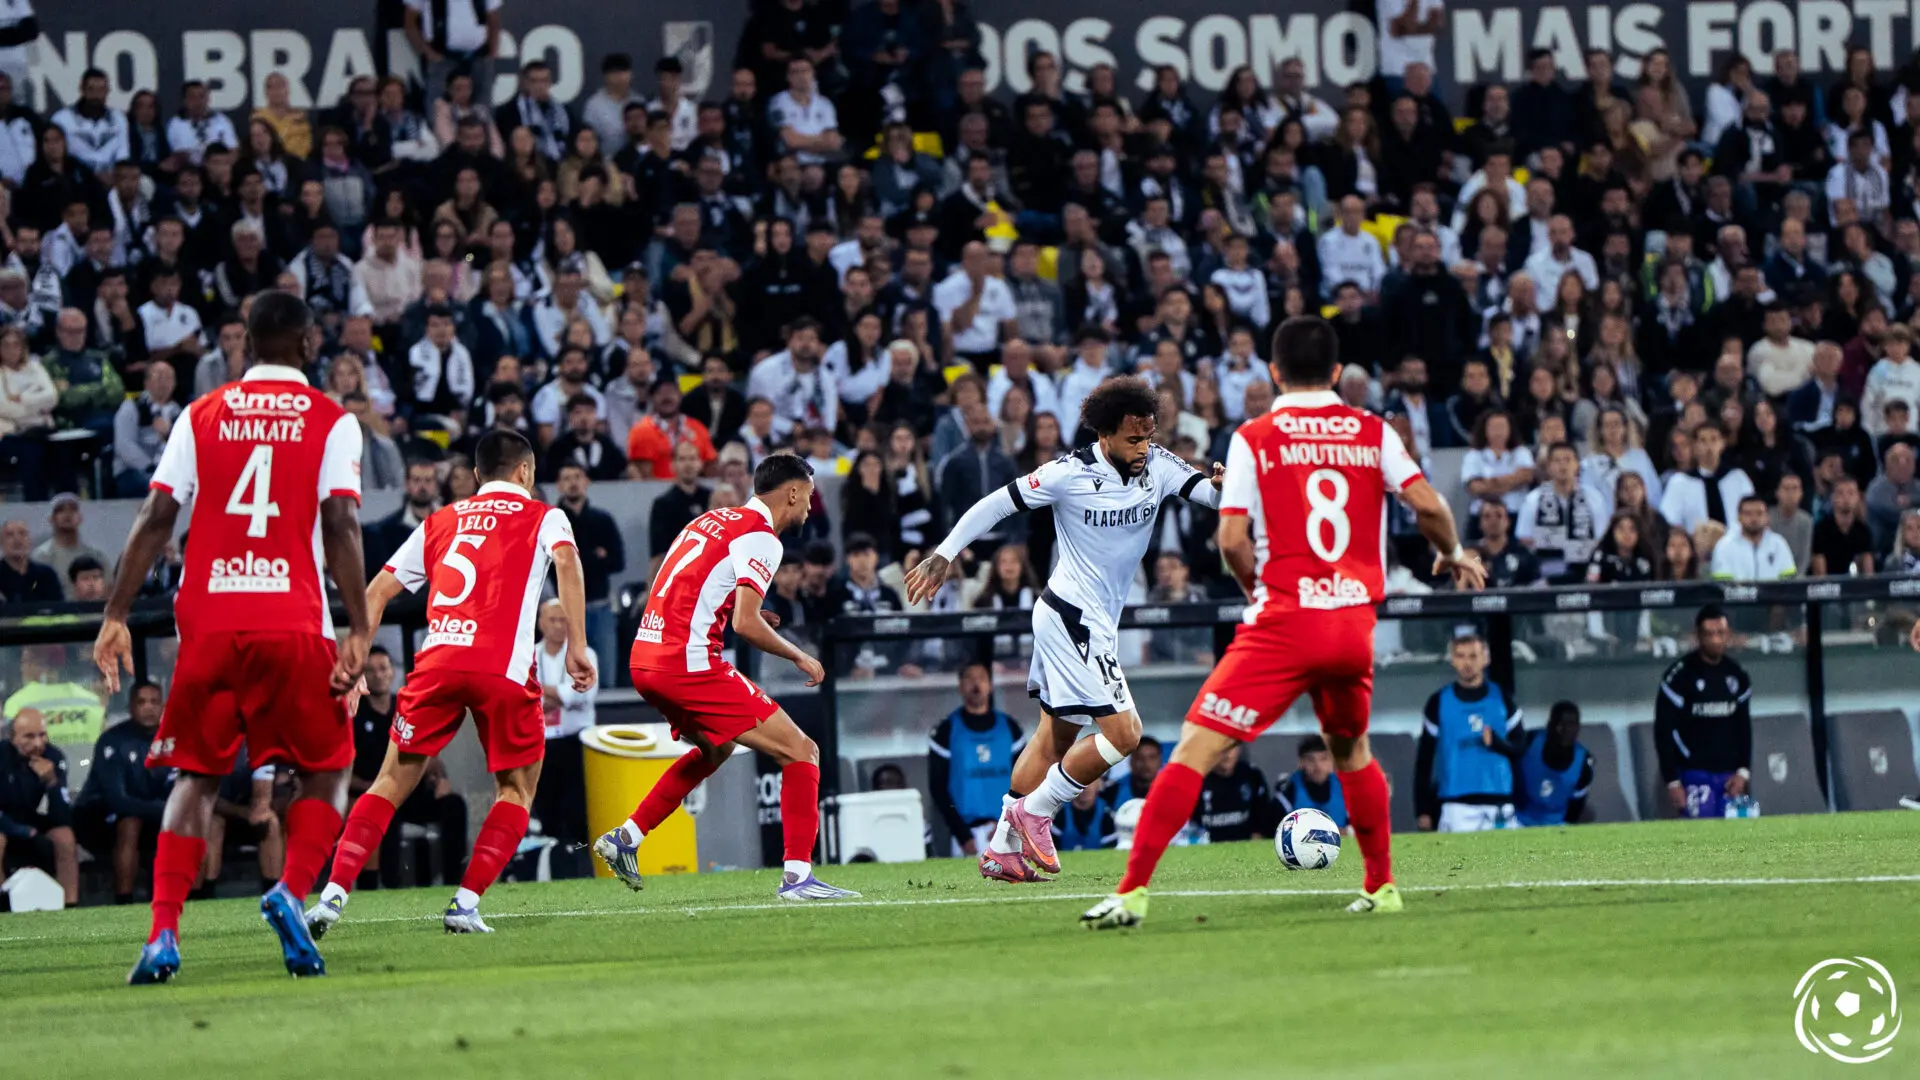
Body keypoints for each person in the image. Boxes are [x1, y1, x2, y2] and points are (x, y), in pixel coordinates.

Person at [1082, 316, 1485, 929]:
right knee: (1351, 751)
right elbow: (1428, 505)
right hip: (1353, 627)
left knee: (1195, 746)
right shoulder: (1372, 430)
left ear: (1273, 372)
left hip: (1286, 621)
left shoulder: (1256, 437)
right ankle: (1381, 886)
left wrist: (1258, 593)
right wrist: (1453, 554)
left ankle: (1132, 892)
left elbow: (1231, 539)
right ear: (1336, 372)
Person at [93, 291, 372, 985]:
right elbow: (340, 524)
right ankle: (291, 891)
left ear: (244, 344)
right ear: (308, 345)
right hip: (293, 620)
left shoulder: (201, 414)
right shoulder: (333, 421)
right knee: (330, 765)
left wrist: (116, 612)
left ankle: (163, 935)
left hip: (210, 623)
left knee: (196, 777)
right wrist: (360, 626)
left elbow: (156, 516)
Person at [904, 378, 1224, 886]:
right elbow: (996, 504)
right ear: (1104, 434)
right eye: (1133, 439)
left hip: (1093, 622)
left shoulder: (1159, 465)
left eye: (1148, 436)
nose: (1143, 448)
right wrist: (945, 553)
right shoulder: (1068, 473)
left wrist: (1226, 487)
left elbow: (1209, 494)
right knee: (1125, 734)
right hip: (1071, 615)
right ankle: (1034, 811)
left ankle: (1001, 850)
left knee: (1053, 739)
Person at [308, 431, 592, 936]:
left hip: (438, 660)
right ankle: (465, 903)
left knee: (389, 781)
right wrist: (576, 645)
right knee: (517, 788)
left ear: (478, 476)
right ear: (525, 472)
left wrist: (353, 664)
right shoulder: (545, 516)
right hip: (502, 669)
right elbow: (568, 562)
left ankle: (331, 896)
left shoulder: (439, 520)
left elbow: (376, 592)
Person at [595, 454, 860, 901]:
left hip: (645, 657)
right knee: (802, 751)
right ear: (792, 493)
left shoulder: (710, 520)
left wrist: (737, 607)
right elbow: (746, 625)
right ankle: (798, 878)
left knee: (717, 748)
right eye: (809, 496)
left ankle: (626, 838)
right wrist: (800, 656)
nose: (810, 507)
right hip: (687, 662)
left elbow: (686, 585)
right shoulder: (763, 538)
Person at [346, 646, 468, 890]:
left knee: (453, 805)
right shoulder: (355, 715)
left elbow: (430, 756)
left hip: (411, 791)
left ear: (392, 672)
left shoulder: (407, 708)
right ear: (363, 676)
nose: (378, 675)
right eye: (371, 670)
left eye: (383, 668)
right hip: (374, 794)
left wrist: (440, 778)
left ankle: (454, 884)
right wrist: (373, 787)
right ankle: (391, 887)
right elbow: (344, 772)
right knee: (386, 814)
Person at [72, 682, 172, 906]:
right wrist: (164, 810)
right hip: (97, 817)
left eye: (154, 702)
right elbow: (117, 800)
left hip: (150, 815)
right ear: (130, 707)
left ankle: (187, 898)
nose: (148, 708)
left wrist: (169, 811)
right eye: (141, 702)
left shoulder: (173, 741)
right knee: (130, 822)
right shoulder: (113, 740)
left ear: (164, 706)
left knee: (186, 823)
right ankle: (124, 901)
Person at [1415, 634, 1523, 833]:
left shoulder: (1502, 699)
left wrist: (1498, 743)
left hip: (1499, 802)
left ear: (1485, 659)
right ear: (1452, 660)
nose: (1467, 663)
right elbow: (1424, 760)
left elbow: (1521, 747)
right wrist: (1423, 809)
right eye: (1460, 656)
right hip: (1456, 805)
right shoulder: (1438, 702)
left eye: (1473, 656)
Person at [1654, 605, 1753, 818]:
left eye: (1720, 633)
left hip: (1730, 775)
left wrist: (1743, 771)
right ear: (1698, 636)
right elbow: (1663, 731)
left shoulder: (1737, 675)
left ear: (1728, 634)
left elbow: (1743, 727)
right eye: (1709, 634)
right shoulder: (1679, 676)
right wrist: (1672, 781)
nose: (1716, 640)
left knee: (1744, 832)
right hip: (1693, 774)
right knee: (1701, 834)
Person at [926, 662, 1025, 855]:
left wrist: (1009, 823)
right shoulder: (946, 731)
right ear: (960, 687)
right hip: (966, 836)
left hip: (1007, 830)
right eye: (969, 679)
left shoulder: (1010, 728)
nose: (976, 684)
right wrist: (963, 835)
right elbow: (938, 787)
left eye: (981, 678)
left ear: (990, 686)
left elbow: (1026, 781)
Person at [532, 598, 597, 876]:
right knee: (546, 807)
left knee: (576, 809)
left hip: (575, 741)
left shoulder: (584, 653)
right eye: (553, 620)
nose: (559, 625)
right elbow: (519, 694)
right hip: (541, 742)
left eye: (563, 620)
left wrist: (541, 690)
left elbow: (583, 694)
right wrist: (559, 693)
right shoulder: (529, 655)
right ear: (541, 623)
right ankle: (552, 865)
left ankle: (580, 865)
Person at [0, 709, 78, 906]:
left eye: (42, 735)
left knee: (65, 836)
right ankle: (3, 905)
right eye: (29, 736)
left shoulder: (53, 757)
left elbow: (62, 816)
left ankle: (70, 906)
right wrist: (26, 832)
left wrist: (52, 782)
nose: (37, 743)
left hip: (28, 817)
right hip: (4, 821)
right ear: (13, 737)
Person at [1513, 701, 1594, 827]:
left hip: (1557, 824)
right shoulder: (1529, 741)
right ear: (1550, 725)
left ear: (1578, 728)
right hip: (1517, 819)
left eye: (1571, 725)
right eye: (1560, 724)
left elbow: (1575, 808)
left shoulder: (1584, 763)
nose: (1565, 730)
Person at [32, 493, 112, 598]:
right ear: (51, 519)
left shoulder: (96, 555)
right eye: (61, 510)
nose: (67, 514)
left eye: (73, 510)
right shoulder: (41, 556)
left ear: (80, 518)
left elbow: (109, 589)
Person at [1193, 742, 1274, 842]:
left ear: (1239, 749)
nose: (1227, 754)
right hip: (1206, 845)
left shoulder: (1251, 776)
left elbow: (1263, 817)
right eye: (1222, 748)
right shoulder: (1196, 779)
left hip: (1245, 845)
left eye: (1232, 747)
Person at [1710, 495, 1797, 580]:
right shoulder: (1724, 546)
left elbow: (1788, 581)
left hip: (1774, 590)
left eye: (1759, 513)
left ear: (1767, 517)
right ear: (1739, 517)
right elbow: (1723, 584)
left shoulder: (1778, 544)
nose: (1754, 519)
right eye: (1748, 514)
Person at [1271, 734, 1347, 830]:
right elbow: (1274, 831)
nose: (1318, 766)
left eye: (1324, 759)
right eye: (1311, 760)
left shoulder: (1346, 789)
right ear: (1301, 762)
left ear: (1333, 761)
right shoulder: (1287, 793)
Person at [1810, 475, 1876, 576]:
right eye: (1840, 493)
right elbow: (1819, 575)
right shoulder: (1821, 530)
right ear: (1833, 497)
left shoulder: (1863, 531)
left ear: (1858, 497)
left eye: (1851, 493)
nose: (1846, 498)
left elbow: (1869, 573)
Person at [1052, 777, 1117, 851]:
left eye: (1091, 782)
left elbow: (1110, 850)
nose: (1086, 787)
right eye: (1080, 781)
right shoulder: (1058, 814)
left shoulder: (1108, 816)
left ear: (1099, 784)